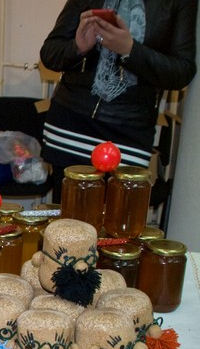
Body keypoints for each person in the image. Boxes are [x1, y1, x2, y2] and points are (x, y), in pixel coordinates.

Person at [39, 0, 197, 202]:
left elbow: (182, 72)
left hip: (130, 132)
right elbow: (49, 53)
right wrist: (77, 47)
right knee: (68, 218)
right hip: (70, 125)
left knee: (119, 218)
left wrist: (130, 50)